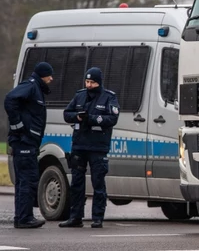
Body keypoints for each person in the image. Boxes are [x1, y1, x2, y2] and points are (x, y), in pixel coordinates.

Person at [59, 67, 119, 229]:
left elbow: (112, 118)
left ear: (99, 82)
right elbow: (67, 114)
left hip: (98, 147)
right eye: (87, 81)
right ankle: (75, 217)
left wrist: (91, 119)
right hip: (79, 145)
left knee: (98, 183)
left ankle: (97, 218)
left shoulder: (109, 97)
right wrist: (77, 117)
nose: (89, 85)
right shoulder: (80, 95)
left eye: (92, 82)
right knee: (76, 183)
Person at [4, 62, 54, 229]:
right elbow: (10, 99)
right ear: (42, 75)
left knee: (23, 181)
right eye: (49, 75)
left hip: (26, 142)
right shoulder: (31, 86)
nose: (51, 78)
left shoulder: (36, 89)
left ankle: (21, 217)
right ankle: (25, 218)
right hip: (24, 142)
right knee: (28, 180)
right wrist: (17, 126)